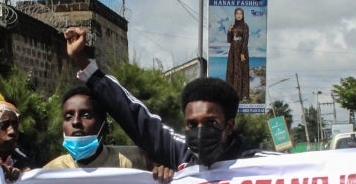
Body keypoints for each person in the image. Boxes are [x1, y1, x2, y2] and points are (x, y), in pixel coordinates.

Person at [64, 27, 248, 170]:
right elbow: (133, 115)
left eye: (211, 123)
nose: (200, 132)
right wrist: (82, 62)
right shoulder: (180, 153)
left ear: (229, 126)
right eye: (192, 125)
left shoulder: (255, 165)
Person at [44, 85, 154, 170]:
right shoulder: (50, 172)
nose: (76, 122)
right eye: (68, 117)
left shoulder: (134, 161)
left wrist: (162, 169)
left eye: (86, 115)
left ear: (103, 125)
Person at [225, 7, 250, 100]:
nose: (239, 15)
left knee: (241, 72)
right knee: (233, 72)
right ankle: (232, 94)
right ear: (235, 15)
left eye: (240, 14)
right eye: (237, 14)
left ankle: (242, 95)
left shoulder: (245, 26)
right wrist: (229, 31)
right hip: (233, 51)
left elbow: (246, 40)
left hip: (241, 50)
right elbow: (229, 40)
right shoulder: (233, 26)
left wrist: (242, 53)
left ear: (243, 15)